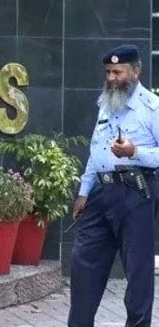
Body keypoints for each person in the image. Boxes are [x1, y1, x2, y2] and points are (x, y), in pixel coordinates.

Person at [68, 44, 159, 327]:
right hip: (100, 194)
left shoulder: (152, 108)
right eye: (108, 72)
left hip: (136, 195)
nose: (111, 78)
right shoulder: (106, 104)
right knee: (83, 267)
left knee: (138, 275)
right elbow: (96, 151)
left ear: (135, 71)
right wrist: (84, 192)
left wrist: (134, 152)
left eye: (117, 72)